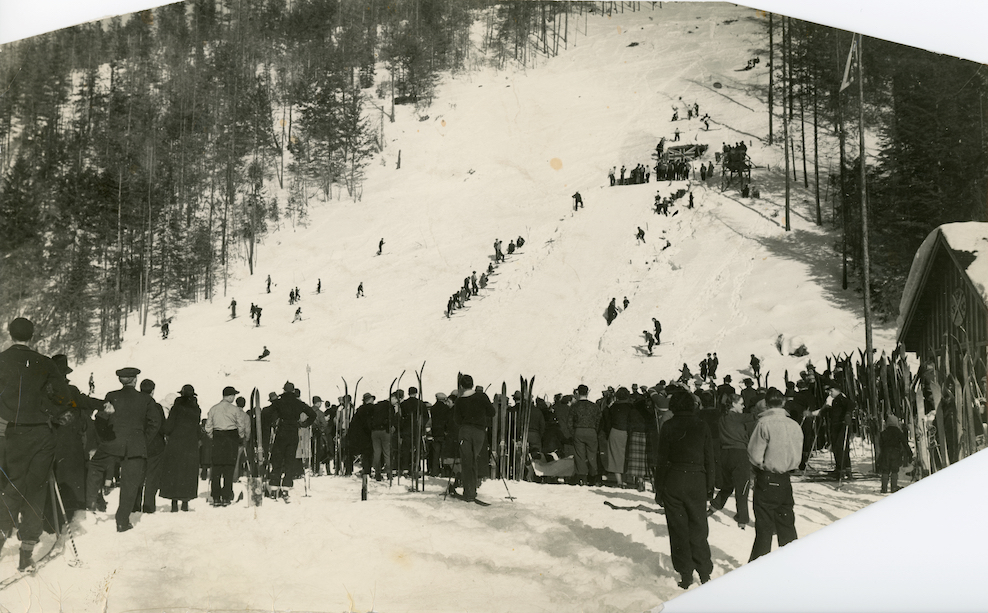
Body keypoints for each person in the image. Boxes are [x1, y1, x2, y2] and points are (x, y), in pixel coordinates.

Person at [0, 318, 73, 569]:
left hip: (14, 432)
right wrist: (49, 409)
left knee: (13, 486)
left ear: (10, 334)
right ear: (33, 336)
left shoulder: (1, 361)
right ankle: (27, 551)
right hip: (42, 432)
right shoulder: (45, 363)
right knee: (36, 487)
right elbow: (64, 397)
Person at [88, 366, 162, 533]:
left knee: (94, 467)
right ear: (135, 380)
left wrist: (106, 437)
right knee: (130, 484)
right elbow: (155, 423)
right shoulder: (145, 399)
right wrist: (143, 440)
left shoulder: (111, 396)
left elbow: (99, 419)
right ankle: (122, 521)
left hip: (111, 444)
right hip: (135, 447)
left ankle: (90, 506)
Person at [654, 389, 715, 589]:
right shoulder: (702, 425)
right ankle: (704, 572)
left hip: (674, 480)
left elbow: (661, 460)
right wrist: (709, 486)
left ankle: (685, 573)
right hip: (697, 479)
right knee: (699, 527)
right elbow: (709, 458)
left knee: (678, 529)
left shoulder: (668, 426)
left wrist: (659, 488)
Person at [747, 388, 803, 562]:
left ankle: (757, 570)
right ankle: (793, 566)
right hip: (785, 479)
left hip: (767, 477)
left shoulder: (764, 424)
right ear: (784, 402)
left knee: (764, 529)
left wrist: (761, 465)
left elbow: (754, 454)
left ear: (766, 403)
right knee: (787, 528)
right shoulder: (794, 424)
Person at [262, 382, 317, 501]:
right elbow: (312, 414)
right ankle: (286, 488)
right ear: (293, 391)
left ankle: (274, 487)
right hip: (293, 433)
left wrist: (272, 421)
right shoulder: (298, 403)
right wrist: (304, 424)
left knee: (277, 459)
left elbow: (266, 412)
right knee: (289, 460)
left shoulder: (279, 402)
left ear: (284, 390)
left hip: (281, 432)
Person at [709, 394, 756, 528]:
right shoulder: (738, 417)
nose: (744, 406)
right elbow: (755, 416)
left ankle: (714, 506)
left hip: (724, 454)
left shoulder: (722, 418)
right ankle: (742, 519)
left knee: (728, 484)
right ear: (734, 404)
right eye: (741, 404)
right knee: (743, 487)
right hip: (739, 454)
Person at [451, 374, 495, 502]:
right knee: (475, 459)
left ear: (461, 386)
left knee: (466, 461)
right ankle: (473, 489)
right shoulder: (482, 396)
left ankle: (468, 491)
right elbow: (492, 412)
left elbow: (457, 420)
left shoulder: (459, 400)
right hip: (479, 431)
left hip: (465, 431)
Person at [205, 386, 250, 506]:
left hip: (218, 437)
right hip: (231, 438)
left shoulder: (213, 409)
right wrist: (239, 436)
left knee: (216, 468)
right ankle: (226, 496)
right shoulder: (235, 410)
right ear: (230, 396)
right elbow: (240, 426)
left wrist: (212, 436)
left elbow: (208, 426)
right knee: (229, 468)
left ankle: (215, 496)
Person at [160, 385, 201, 512]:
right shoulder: (196, 409)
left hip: (176, 444)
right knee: (188, 472)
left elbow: (169, 425)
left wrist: (165, 431)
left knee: (174, 471)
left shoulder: (177, 407)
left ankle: (174, 503)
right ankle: (185, 502)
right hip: (190, 445)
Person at [134, 378, 166, 513]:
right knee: (152, 477)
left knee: (137, 476)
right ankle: (148, 506)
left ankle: (135, 505)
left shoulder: (134, 404)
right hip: (155, 446)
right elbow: (163, 427)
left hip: (137, 445)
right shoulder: (156, 406)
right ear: (153, 391)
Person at [569, 386, 600, 485]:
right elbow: (599, 420)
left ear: (578, 393)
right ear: (588, 392)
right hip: (592, 431)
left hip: (578, 431)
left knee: (579, 455)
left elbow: (569, 422)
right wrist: (595, 431)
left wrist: (573, 433)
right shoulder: (594, 406)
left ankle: (582, 478)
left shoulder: (574, 406)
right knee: (592, 454)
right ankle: (593, 477)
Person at [877, 415, 912, 494]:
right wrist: (910, 453)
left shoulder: (884, 432)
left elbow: (880, 444)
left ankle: (884, 489)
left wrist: (882, 453)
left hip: (886, 452)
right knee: (894, 470)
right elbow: (905, 443)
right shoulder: (899, 432)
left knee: (885, 470)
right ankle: (893, 487)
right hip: (896, 453)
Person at [369, 392, 395, 481]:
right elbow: (392, 419)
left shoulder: (377, 405)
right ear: (393, 398)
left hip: (374, 431)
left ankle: (377, 473)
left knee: (377, 453)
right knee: (387, 452)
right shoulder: (389, 407)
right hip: (385, 431)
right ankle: (389, 473)